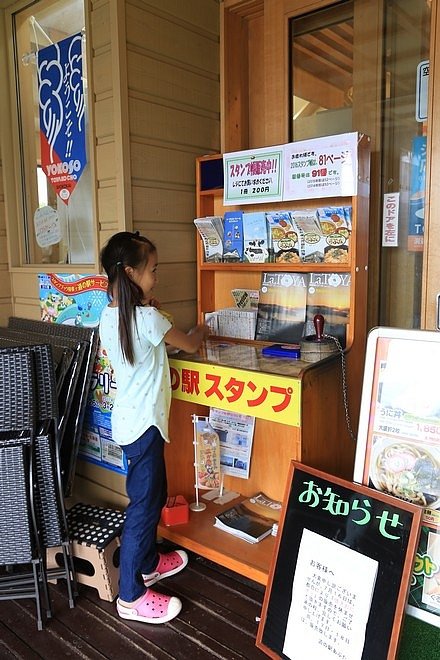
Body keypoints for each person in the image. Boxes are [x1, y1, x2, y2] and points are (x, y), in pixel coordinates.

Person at [99, 231, 210, 624]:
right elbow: (191, 344)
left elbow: (149, 340)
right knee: (144, 509)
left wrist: (149, 306)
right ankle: (131, 595)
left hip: (130, 422)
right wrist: (205, 327)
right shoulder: (146, 318)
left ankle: (148, 563)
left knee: (153, 494)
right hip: (144, 427)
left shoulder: (111, 314)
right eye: (152, 271)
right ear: (130, 272)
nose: (156, 278)